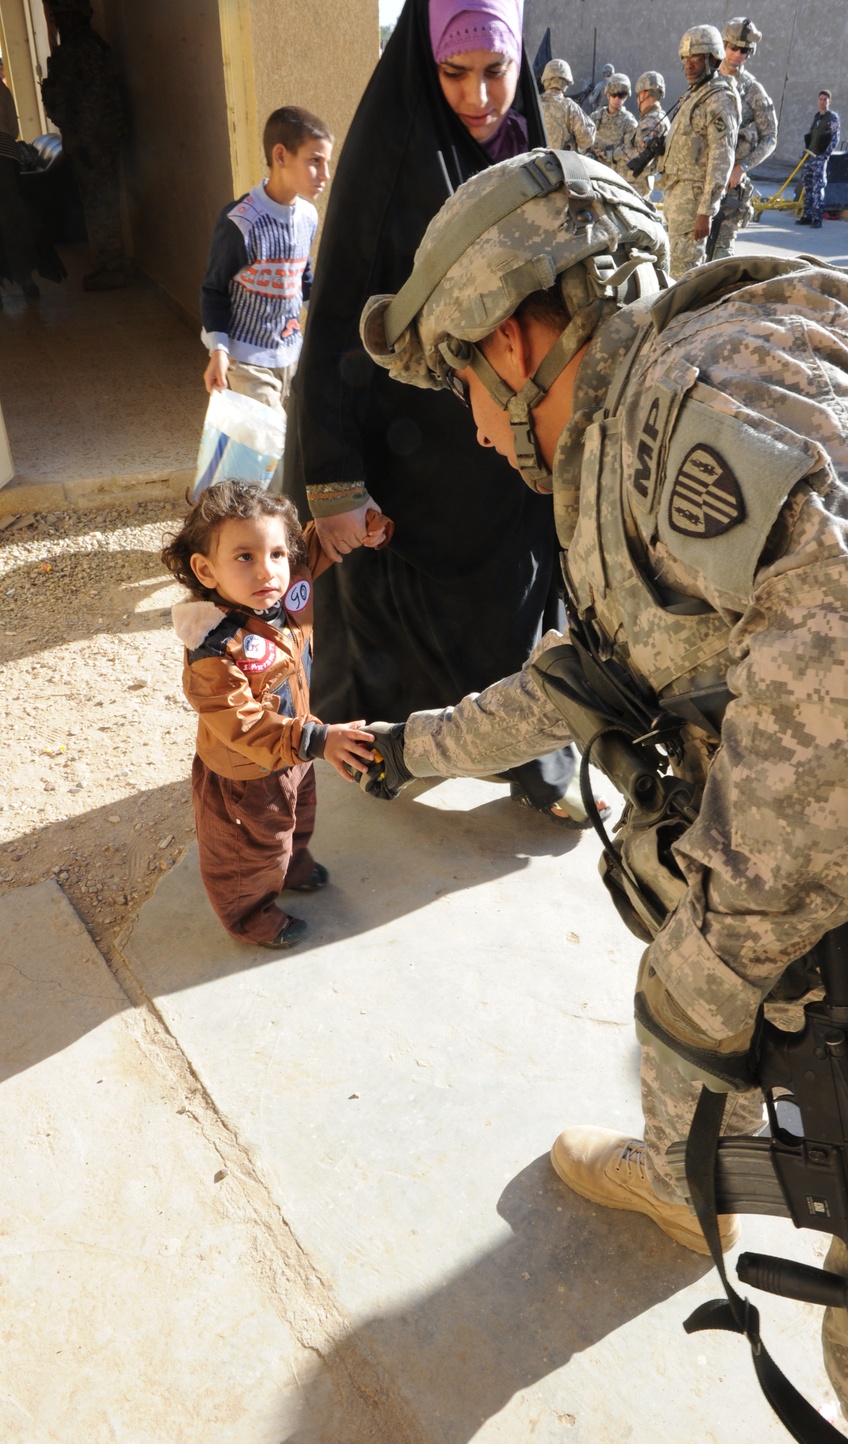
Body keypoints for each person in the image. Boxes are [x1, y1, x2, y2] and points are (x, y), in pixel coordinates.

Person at [355, 147, 848, 1444]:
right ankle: (693, 1157)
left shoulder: (705, 382)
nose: (477, 428)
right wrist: (407, 752)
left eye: (470, 386)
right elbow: (583, 678)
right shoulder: (621, 452)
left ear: (526, 331)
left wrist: (704, 977)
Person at [289, 0, 582, 825]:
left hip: (507, 441)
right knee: (397, 622)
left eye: (497, 71)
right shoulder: (389, 156)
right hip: (403, 448)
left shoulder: (530, 139)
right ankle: (394, 752)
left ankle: (535, 760)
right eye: (456, 74)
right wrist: (336, 477)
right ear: (425, 64)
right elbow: (339, 315)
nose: (481, 96)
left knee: (522, 602)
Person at [161, 480, 377, 950]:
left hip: (294, 748)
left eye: (277, 554)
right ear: (206, 569)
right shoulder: (213, 649)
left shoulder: (283, 592)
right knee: (247, 852)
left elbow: (321, 543)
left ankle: (292, 864)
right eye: (245, 557)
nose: (268, 572)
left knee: (297, 817)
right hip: (245, 775)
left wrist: (362, 524)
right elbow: (242, 723)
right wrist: (318, 740)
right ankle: (248, 915)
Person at [201, 106, 333, 422]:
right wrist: (218, 350)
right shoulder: (240, 222)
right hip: (246, 361)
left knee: (277, 454)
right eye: (315, 161)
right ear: (281, 156)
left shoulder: (308, 217)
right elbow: (214, 290)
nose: (325, 174)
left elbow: (303, 276)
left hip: (291, 357)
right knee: (267, 447)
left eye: (327, 163)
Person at [40, 0, 126, 290]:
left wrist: (86, 141)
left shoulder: (87, 48)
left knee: (103, 203)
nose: (59, 20)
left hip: (95, 140)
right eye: (56, 15)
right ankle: (108, 264)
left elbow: (95, 98)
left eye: (63, 14)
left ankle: (114, 267)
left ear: (79, 14)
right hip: (83, 138)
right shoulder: (71, 49)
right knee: (95, 203)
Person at [652, 27, 737, 277]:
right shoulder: (694, 95)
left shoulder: (718, 99)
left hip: (693, 202)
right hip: (677, 195)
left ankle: (684, 315)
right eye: (686, 60)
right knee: (673, 265)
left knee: (684, 270)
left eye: (697, 60)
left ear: (713, 60)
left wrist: (706, 212)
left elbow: (722, 157)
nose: (689, 66)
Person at [711, 17, 776, 259]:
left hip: (729, 189)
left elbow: (771, 137)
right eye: (734, 47)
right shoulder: (707, 82)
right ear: (724, 45)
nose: (739, 54)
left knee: (720, 258)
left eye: (745, 50)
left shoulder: (753, 91)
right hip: (698, 184)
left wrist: (742, 167)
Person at [0, 59, 39, 299]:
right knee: (13, 218)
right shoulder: (2, 91)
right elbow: (13, 132)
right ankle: (26, 279)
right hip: (5, 155)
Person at [615, 70, 669, 199]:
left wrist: (619, 152)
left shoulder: (650, 120)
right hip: (639, 185)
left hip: (635, 186)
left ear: (644, 93)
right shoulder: (660, 117)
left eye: (638, 95)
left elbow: (641, 155)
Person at [799, 88, 840, 226]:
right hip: (809, 157)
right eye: (820, 99)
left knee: (818, 188)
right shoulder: (817, 116)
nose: (822, 102)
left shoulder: (832, 117)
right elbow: (812, 136)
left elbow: (835, 138)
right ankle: (807, 215)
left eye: (825, 100)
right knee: (808, 186)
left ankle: (817, 218)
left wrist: (825, 156)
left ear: (829, 102)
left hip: (819, 158)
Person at [539, 59, 595, 153]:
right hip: (560, 164)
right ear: (566, 83)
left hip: (532, 163)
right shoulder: (570, 107)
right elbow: (587, 140)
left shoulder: (535, 103)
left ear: (545, 80)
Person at [588, 72, 637, 173]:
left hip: (615, 176)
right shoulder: (595, 117)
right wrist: (589, 155)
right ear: (607, 95)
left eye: (621, 95)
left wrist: (609, 155)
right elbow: (583, 142)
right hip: (594, 172)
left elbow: (630, 152)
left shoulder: (629, 122)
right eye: (613, 94)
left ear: (626, 96)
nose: (616, 99)